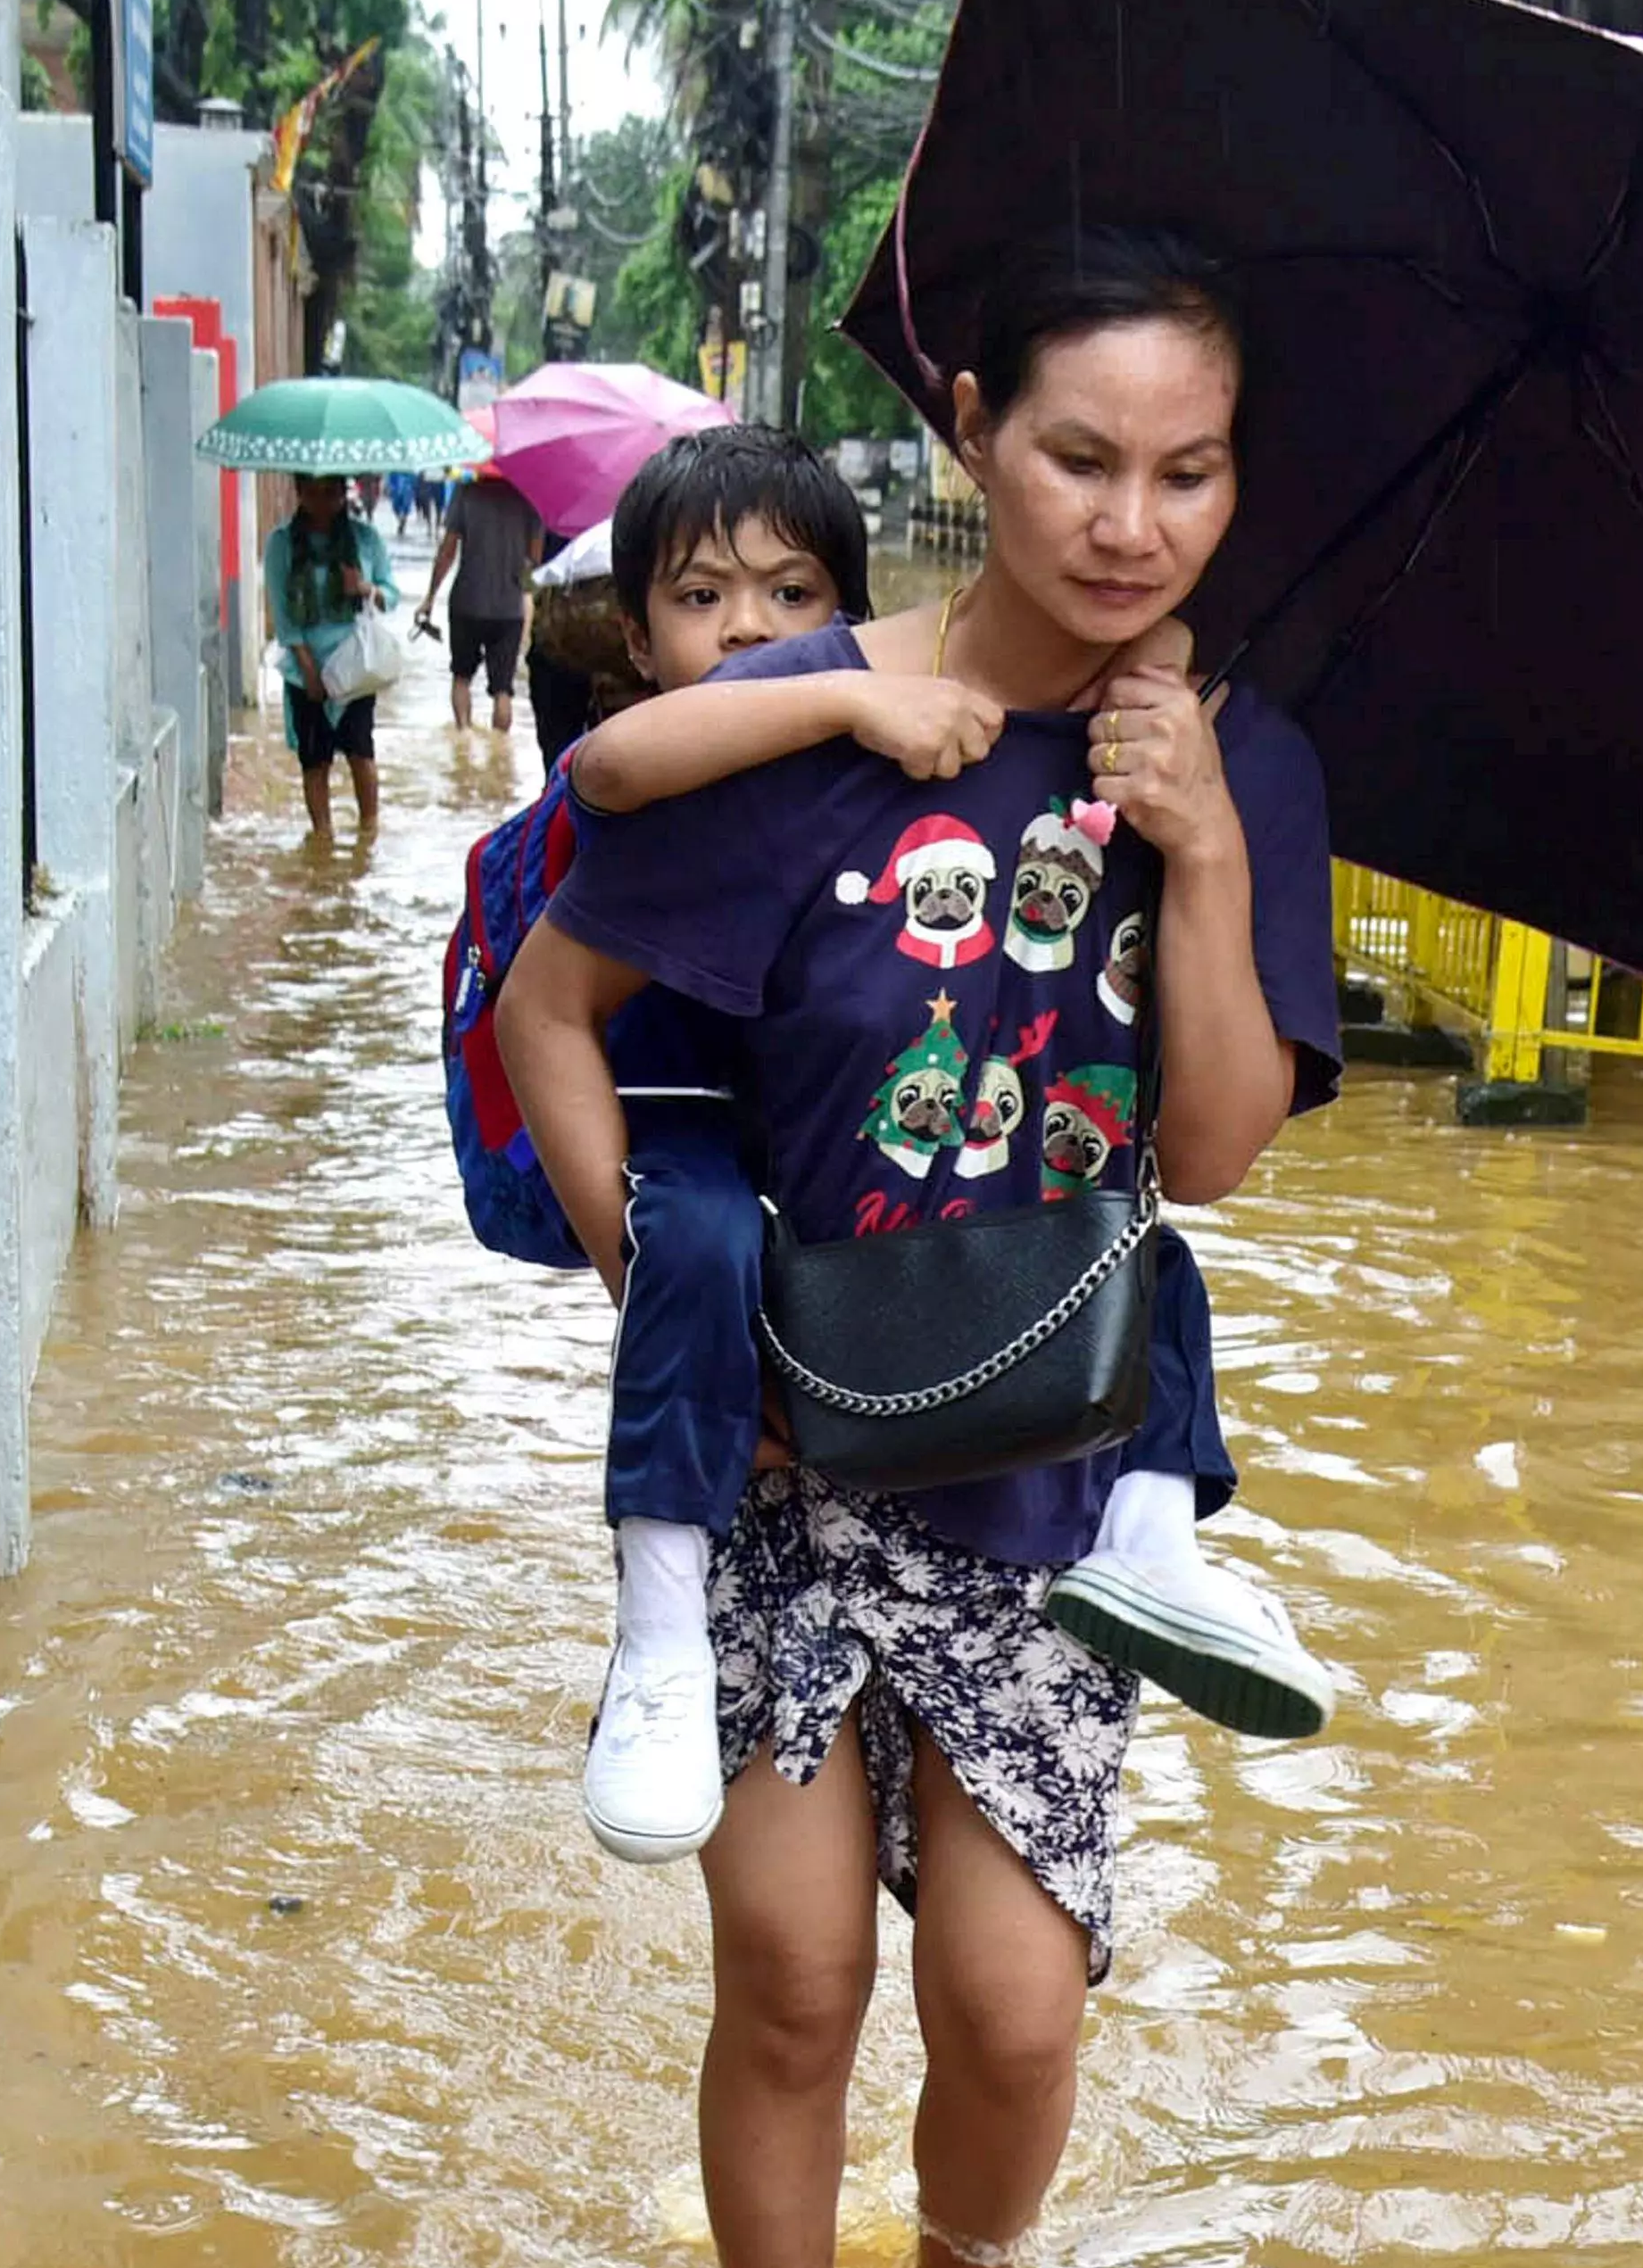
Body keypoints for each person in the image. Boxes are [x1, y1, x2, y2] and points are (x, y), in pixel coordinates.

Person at [496, 230, 1336, 2268]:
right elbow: (548, 1011)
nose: (1131, 523)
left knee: (1016, 2009)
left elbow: (1217, 1147)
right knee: (788, 1976)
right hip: (792, 1446)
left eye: (1192, 472)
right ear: (971, 428)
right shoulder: (797, 713)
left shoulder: (1245, 767)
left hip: (1048, 1459)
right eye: (1078, 457)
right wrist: (664, 1303)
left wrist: (1209, 849)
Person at [461, 424, 1328, 1878]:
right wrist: (846, 696)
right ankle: (661, 1627)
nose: (749, 629)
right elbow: (608, 773)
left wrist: (1197, 794)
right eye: (701, 597)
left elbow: (1211, 1146)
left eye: (792, 594)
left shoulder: (1193, 756)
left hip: (949, 1305)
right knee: (712, 1249)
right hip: (702, 1169)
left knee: (1152, 1269)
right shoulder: (771, 737)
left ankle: (1157, 1540)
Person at [266, 471, 393, 839]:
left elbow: (391, 594)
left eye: (331, 493)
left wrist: (364, 587)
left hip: (354, 668)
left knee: (361, 753)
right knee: (315, 760)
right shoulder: (283, 544)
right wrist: (308, 669)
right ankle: (322, 837)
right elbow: (282, 613)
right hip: (304, 670)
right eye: (314, 493)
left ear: (343, 493)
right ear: (299, 493)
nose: (323, 503)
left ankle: (368, 836)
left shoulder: (364, 540)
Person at [416, 464, 544, 741]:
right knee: (502, 689)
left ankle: (462, 737)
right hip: (509, 609)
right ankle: (500, 749)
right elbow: (534, 559)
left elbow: (447, 550)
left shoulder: (465, 492)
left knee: (461, 677)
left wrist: (430, 597)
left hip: (466, 602)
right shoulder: (527, 498)